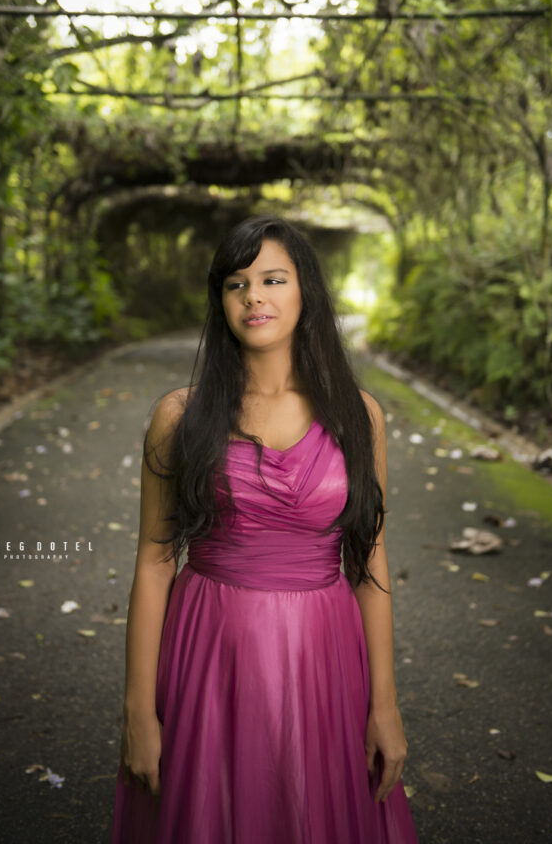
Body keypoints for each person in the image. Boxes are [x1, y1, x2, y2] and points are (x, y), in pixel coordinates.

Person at [109, 215, 419, 843]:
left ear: (306, 292)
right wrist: (139, 712)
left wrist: (384, 705)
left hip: (325, 652)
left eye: (273, 279)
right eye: (236, 283)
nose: (254, 296)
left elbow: (370, 560)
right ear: (220, 301)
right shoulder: (181, 416)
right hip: (210, 649)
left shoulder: (359, 417)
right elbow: (153, 561)